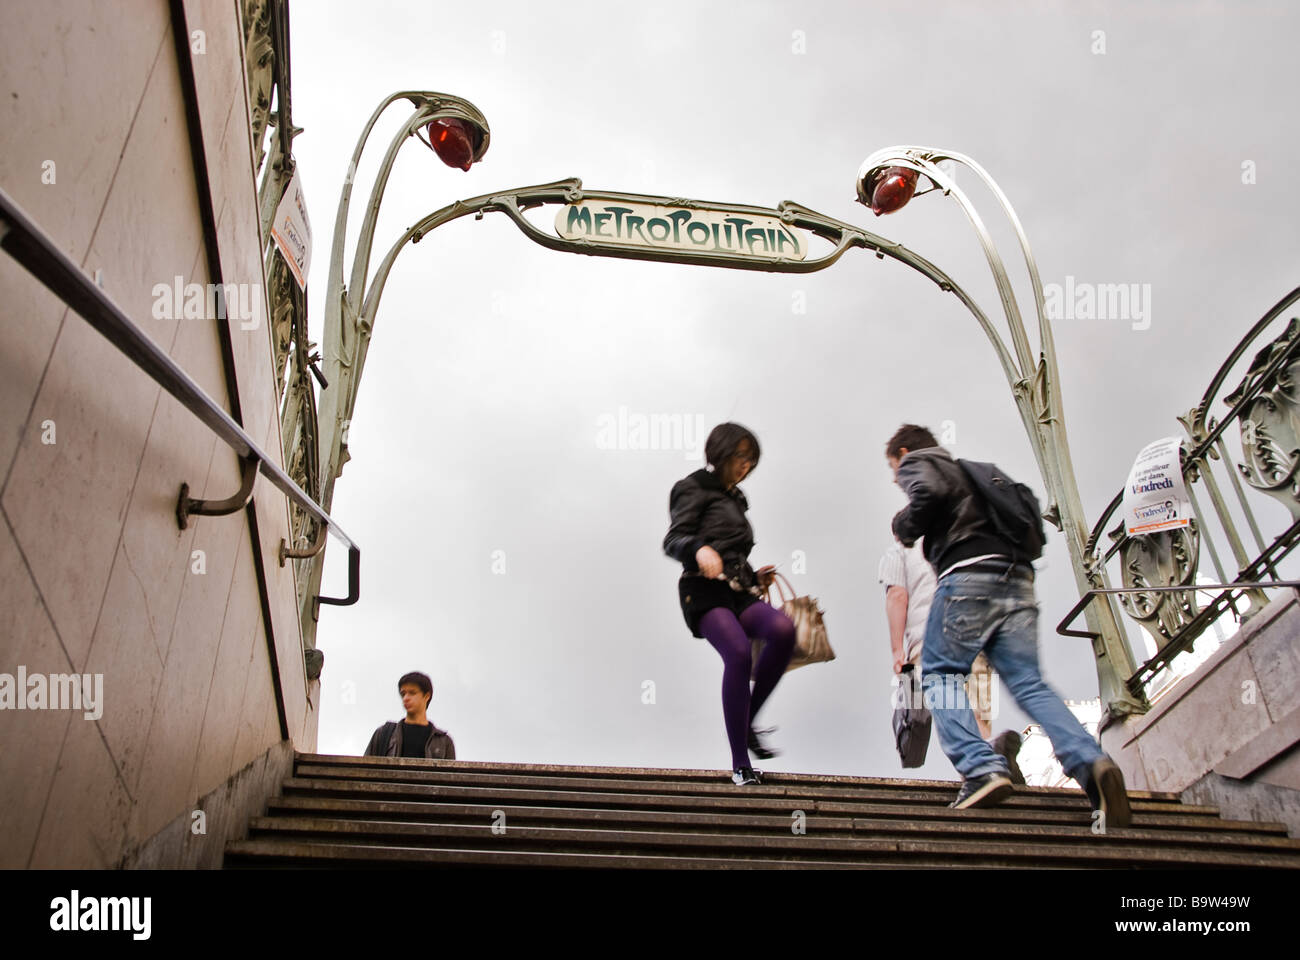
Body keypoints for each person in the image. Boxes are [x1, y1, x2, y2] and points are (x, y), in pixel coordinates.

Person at [886, 423, 1130, 825]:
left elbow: (927, 494)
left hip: (967, 576)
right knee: (1029, 683)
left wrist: (905, 526)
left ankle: (980, 768)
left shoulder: (919, 462)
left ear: (905, 452)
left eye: (895, 470)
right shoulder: (981, 470)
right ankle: (1091, 762)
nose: (898, 478)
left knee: (941, 674)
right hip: (1017, 580)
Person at [663, 422, 797, 786]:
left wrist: (757, 578)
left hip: (739, 589)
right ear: (720, 452)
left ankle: (748, 720)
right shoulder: (691, 488)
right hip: (702, 591)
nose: (747, 466)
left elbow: (734, 552)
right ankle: (741, 764)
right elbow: (674, 540)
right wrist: (698, 548)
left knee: (784, 630)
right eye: (741, 456)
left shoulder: (736, 499)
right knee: (738, 653)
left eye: (752, 459)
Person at [879, 538, 1025, 781]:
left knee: (948, 698)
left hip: (931, 634)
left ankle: (983, 767)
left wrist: (897, 650)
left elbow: (897, 595)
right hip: (975, 632)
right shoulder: (954, 540)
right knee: (976, 708)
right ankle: (990, 748)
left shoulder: (897, 552)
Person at [363, 671, 456, 759]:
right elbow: (364, 769)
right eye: (403, 694)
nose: (406, 698)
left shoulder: (444, 741)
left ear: (427, 696)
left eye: (412, 693)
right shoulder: (383, 733)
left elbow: (451, 775)